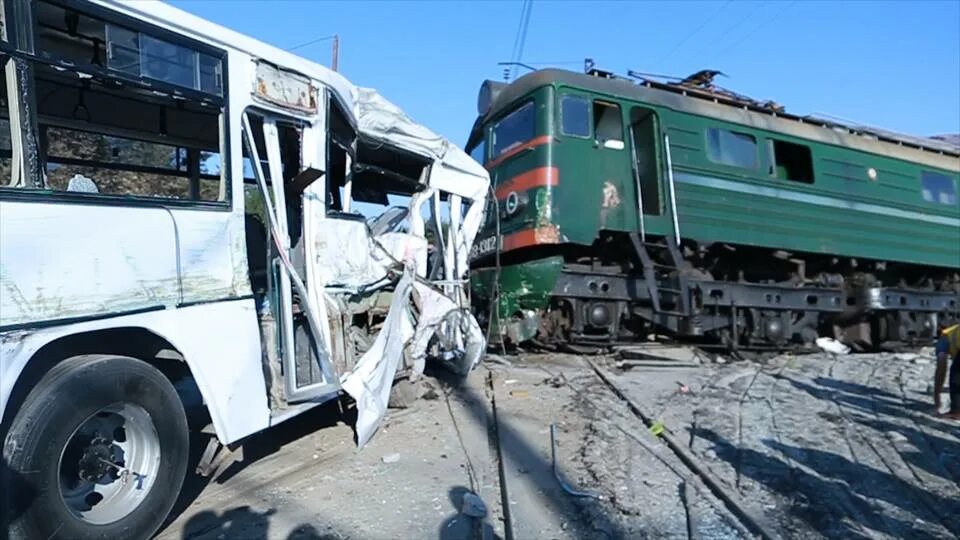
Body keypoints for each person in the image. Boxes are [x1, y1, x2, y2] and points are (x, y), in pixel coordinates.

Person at [933, 316, 960, 419]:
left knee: (956, 376)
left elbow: (941, 366)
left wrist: (937, 393)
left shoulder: (944, 336)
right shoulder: (956, 331)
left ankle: (957, 411)